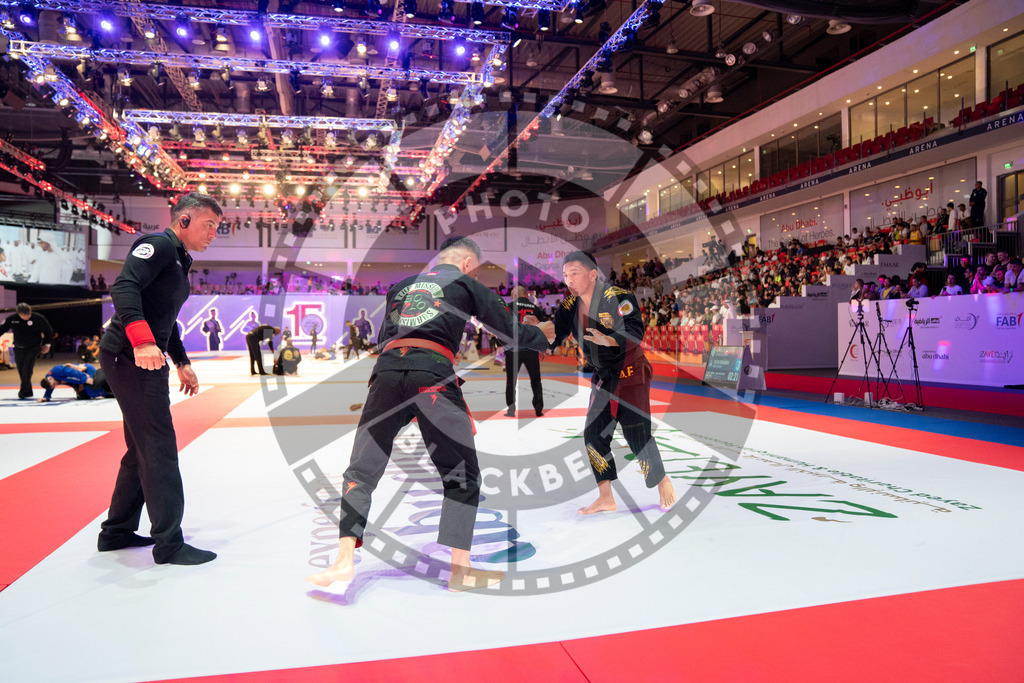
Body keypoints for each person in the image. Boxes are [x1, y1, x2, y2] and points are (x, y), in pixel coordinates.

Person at [305, 237, 554, 593]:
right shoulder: (467, 284)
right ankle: (461, 571)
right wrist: (545, 335)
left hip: (387, 377)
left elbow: (382, 340)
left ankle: (343, 559)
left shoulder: (402, 286)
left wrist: (384, 391)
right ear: (469, 263)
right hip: (433, 375)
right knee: (461, 475)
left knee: (361, 470)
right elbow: (508, 331)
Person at [96, 191, 223, 566]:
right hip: (129, 355)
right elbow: (123, 287)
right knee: (158, 447)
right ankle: (168, 543)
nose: (214, 233)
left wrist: (181, 360)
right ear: (184, 221)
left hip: (137, 355)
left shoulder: (179, 258)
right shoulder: (159, 246)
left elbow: (165, 315)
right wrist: (142, 341)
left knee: (141, 446)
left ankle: (116, 532)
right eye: (209, 224)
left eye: (218, 226)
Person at [551, 251, 676, 516]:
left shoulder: (618, 296)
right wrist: (532, 330)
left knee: (636, 433)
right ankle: (606, 497)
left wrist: (610, 339)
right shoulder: (569, 305)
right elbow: (555, 331)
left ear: (592, 274)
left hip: (631, 372)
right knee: (593, 435)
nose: (569, 280)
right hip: (603, 376)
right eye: (565, 275)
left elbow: (635, 331)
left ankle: (661, 479)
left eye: (575, 273)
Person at [503, 286, 547, 418]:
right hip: (531, 349)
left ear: (515, 294)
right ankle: (538, 409)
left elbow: (503, 326)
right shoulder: (535, 309)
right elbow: (542, 329)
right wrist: (542, 348)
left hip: (513, 349)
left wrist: (502, 344)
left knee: (511, 380)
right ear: (526, 295)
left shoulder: (509, 306)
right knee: (535, 379)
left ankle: (511, 410)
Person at [0, 302, 53, 399]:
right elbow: (1, 329)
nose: (28, 316)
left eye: (29, 314)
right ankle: (28, 391)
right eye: (25, 315)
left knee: (27, 368)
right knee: (21, 369)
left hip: (33, 347)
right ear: (19, 314)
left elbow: (48, 331)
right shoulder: (12, 319)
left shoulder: (38, 318)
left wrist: (47, 344)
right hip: (18, 348)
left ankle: (23, 392)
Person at [38, 362, 112, 402]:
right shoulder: (50, 379)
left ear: (50, 378)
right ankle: (106, 391)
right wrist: (46, 397)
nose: (56, 385)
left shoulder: (58, 370)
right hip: (79, 380)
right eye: (53, 386)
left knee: (92, 388)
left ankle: (109, 391)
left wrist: (87, 380)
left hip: (86, 371)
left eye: (54, 384)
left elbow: (75, 373)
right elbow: (49, 388)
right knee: (83, 396)